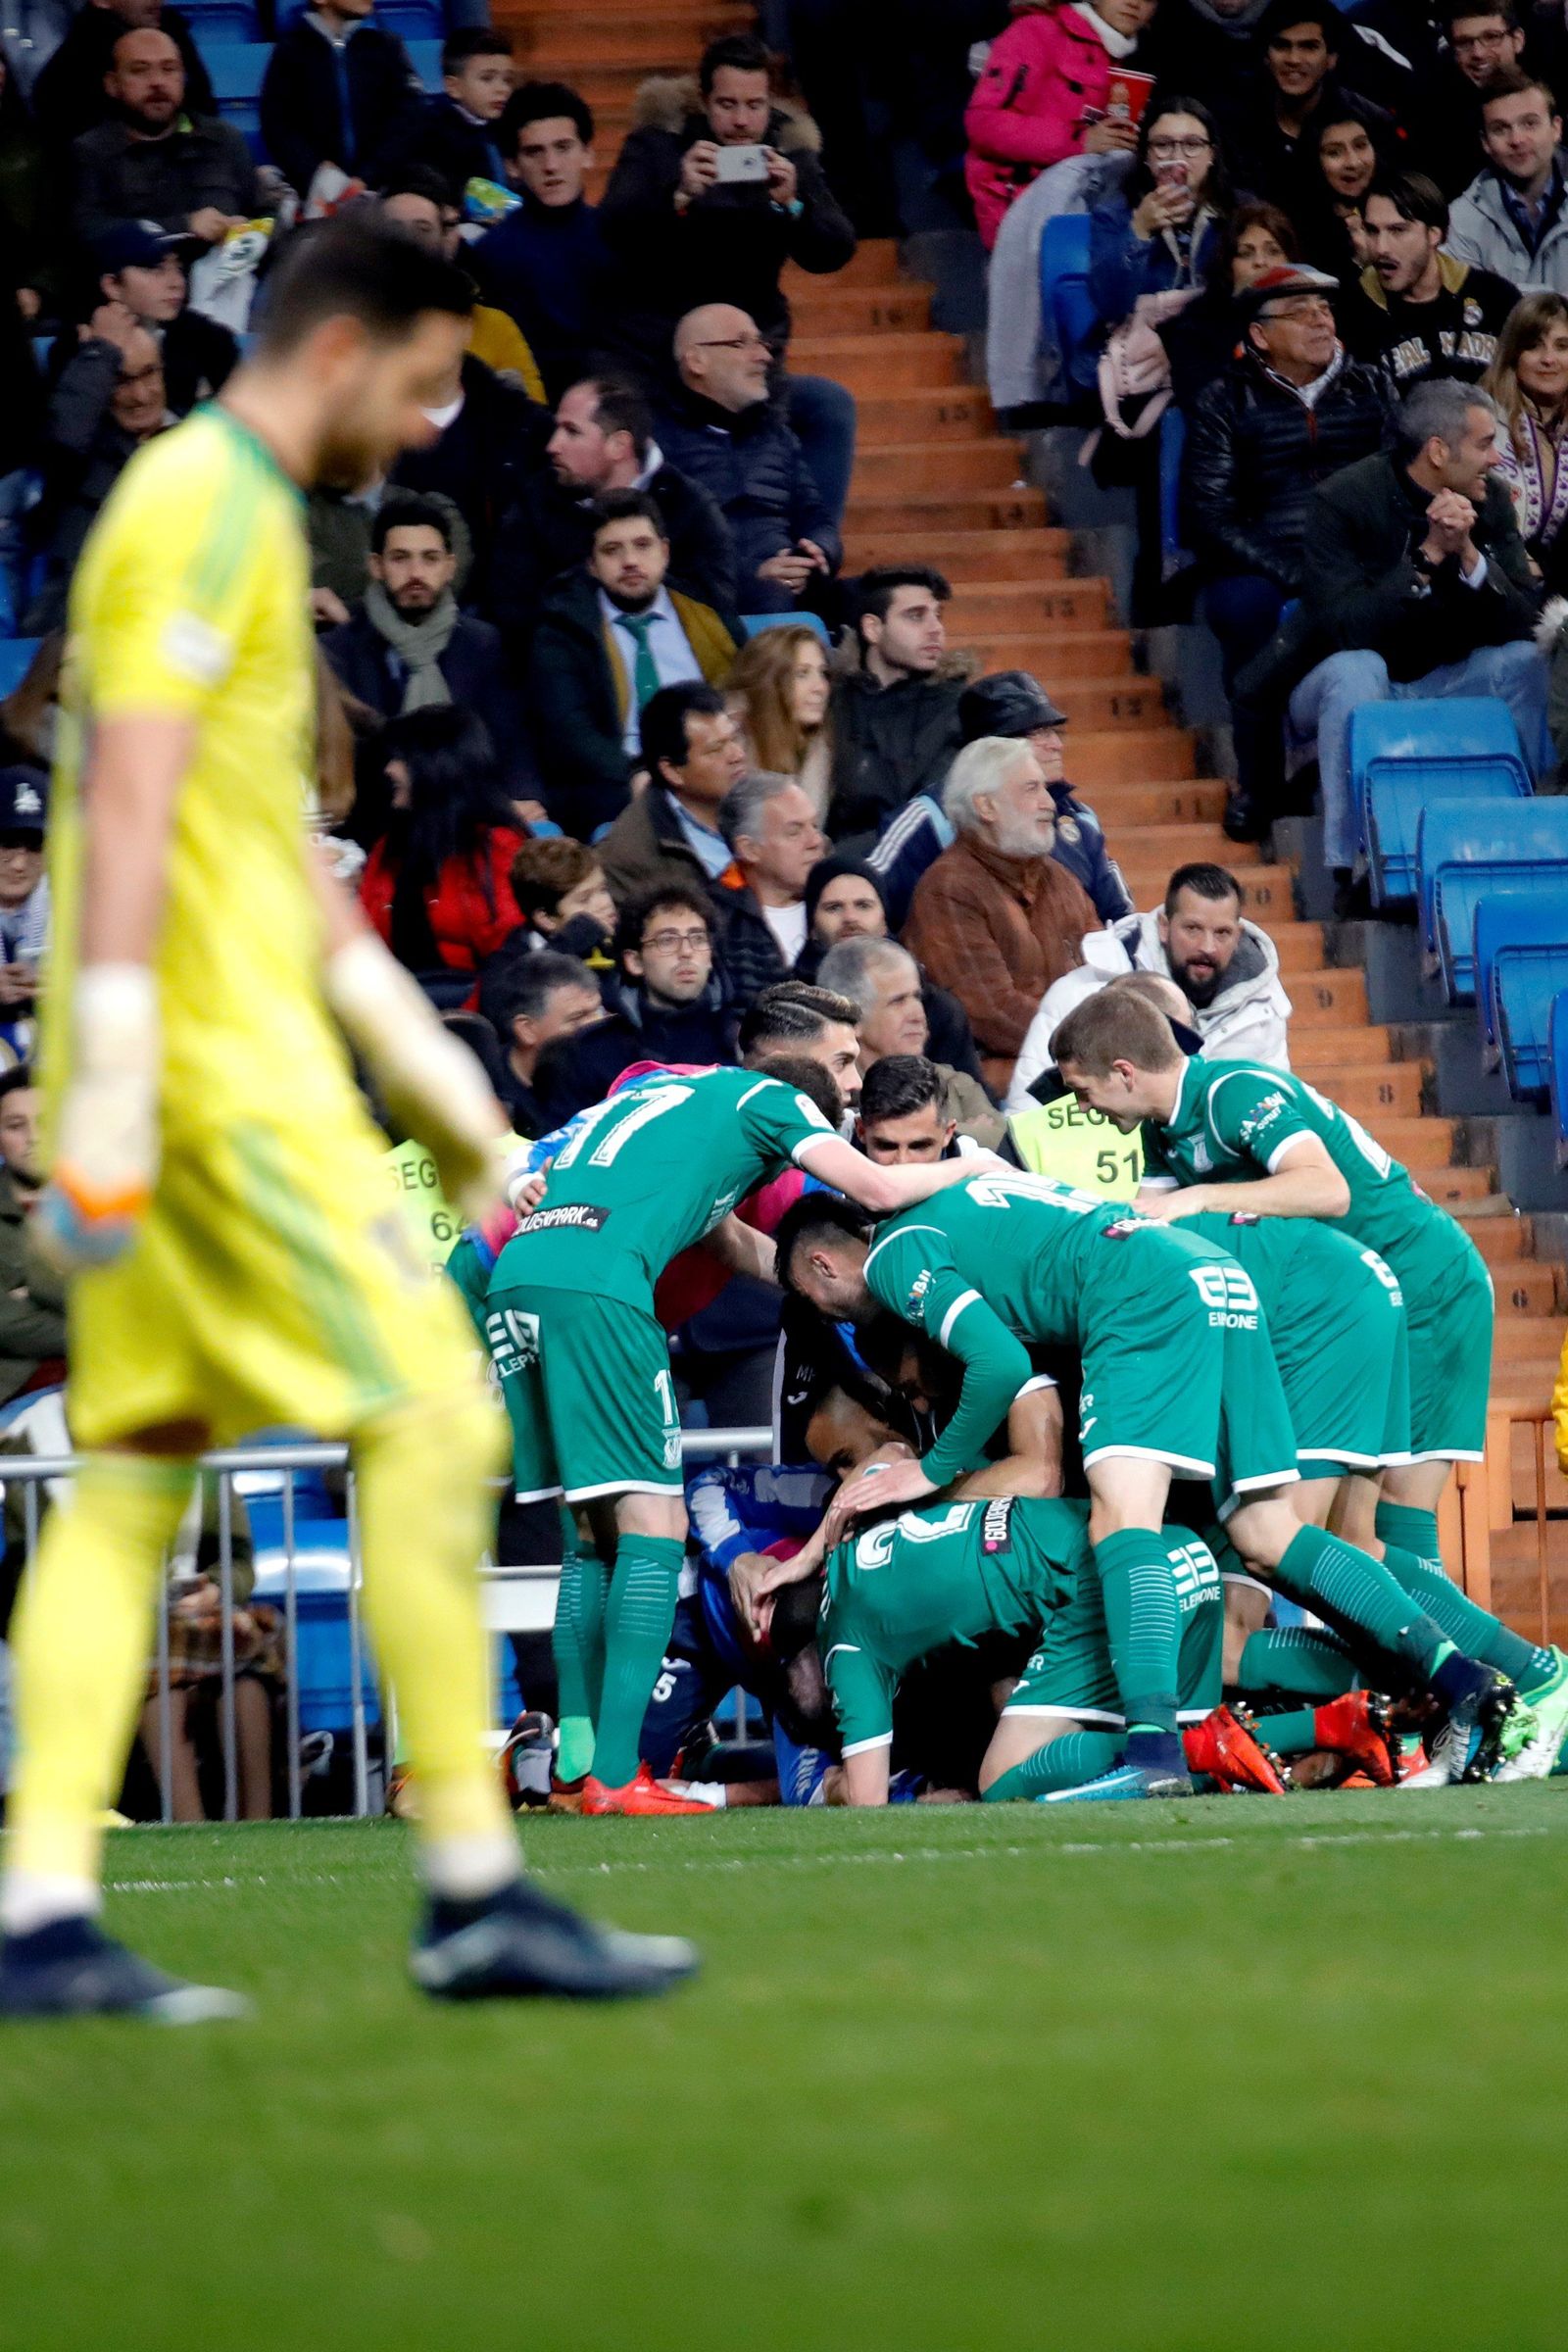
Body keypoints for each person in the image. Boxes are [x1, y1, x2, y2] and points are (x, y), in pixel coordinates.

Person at [0, 214, 696, 2018]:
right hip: (216, 1087)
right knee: (443, 1421)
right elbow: (135, 808)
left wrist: (448, 1096)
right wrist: (120, 1100)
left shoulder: (233, 521)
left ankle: (41, 1917)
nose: (432, 415)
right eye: (424, 376)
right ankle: (471, 1882)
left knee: (136, 1482)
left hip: (204, 1067)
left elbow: (279, 872)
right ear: (336, 352)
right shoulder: (199, 508)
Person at [770, 1167, 1493, 1804]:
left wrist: (926, 1472)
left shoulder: (899, 1256)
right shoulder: (961, 1196)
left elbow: (992, 1362)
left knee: (1121, 1525)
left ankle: (1152, 1752)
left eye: (817, 1300)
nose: (831, 1315)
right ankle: (1456, 1680)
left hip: (1138, 1298)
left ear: (826, 1267)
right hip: (1215, 1280)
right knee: (1268, 1538)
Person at [1052, 985, 1568, 1779]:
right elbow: (1144, 1223)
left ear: (1123, 1071)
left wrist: (1198, 1198)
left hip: (1417, 1287)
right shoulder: (1166, 1138)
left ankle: (1531, 1684)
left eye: (1084, 1091)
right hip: (1344, 1308)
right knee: (1357, 1542)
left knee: (1381, 1535)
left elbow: (1326, 1189)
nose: (1084, 1111)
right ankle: (1459, 1715)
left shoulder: (1232, 1091)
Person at [481, 1055, 1001, 1815]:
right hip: (601, 1289)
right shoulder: (774, 1102)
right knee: (652, 1524)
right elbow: (879, 1188)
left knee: (587, 1534)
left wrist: (819, 1294)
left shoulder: (666, 1098)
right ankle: (619, 1779)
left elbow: (728, 1243)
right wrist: (970, 1168)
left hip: (520, 1274)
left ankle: (578, 1758)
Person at [761, 1495, 1237, 1806]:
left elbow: (869, 1807)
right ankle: (1310, 1726)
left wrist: (832, 1786)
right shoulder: (857, 1537)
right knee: (1217, 1701)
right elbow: (886, 1459)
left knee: (1003, 1778)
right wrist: (808, 1553)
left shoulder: (846, 1649)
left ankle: (1185, 1750)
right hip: (1154, 1546)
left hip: (1099, 1584)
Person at [1288, 374, 1545, 900]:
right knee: (1360, 669)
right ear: (1436, 451)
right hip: (1339, 682)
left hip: (1446, 676)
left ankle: (1539, 837)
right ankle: (1351, 866)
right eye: (1483, 444)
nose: (1496, 459)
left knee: (1526, 660)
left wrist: (1470, 554)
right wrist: (1426, 557)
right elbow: (1343, 628)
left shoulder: (1491, 499)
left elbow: (1525, 619)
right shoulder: (1342, 500)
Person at [1181, 260, 1392, 837]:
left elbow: (1401, 482)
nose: (1321, 321)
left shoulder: (1372, 385)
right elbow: (1210, 515)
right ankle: (1261, 782)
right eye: (1301, 314)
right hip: (1268, 559)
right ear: (1260, 335)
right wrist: (1293, 571)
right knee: (1243, 607)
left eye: (1325, 309)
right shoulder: (1224, 400)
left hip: (1358, 556)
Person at [597, 31, 857, 380]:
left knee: (829, 405)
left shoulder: (787, 150)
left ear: (770, 103)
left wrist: (791, 205)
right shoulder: (659, 144)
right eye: (727, 104)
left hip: (752, 343)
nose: (741, 122)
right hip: (661, 344)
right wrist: (677, 195)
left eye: (755, 105)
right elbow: (612, 226)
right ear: (704, 101)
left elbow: (834, 250)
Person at [526, 492, 740, 836]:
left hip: (714, 765)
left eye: (643, 545)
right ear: (591, 565)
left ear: (664, 552)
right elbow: (572, 733)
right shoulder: (562, 629)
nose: (630, 561)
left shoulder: (706, 609)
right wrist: (639, 772)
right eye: (612, 550)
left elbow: (747, 692)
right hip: (617, 780)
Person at [903, 737, 1101, 1095]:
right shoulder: (948, 888)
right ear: (986, 806)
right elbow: (991, 1013)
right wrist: (1097, 1043)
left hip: (1081, 1067)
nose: (1049, 804)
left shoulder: (1060, 879)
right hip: (1005, 1089)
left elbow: (1106, 969)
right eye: (1032, 789)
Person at [1008, 859, 1292, 1105]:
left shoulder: (1264, 1008)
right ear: (1164, 927)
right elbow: (1027, 1113)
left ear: (1238, 934)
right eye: (1193, 929)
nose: (1208, 946)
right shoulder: (1081, 994)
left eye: (1222, 933)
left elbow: (1276, 1104)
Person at [491, 372, 735, 650]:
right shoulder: (535, 501)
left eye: (572, 431)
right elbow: (513, 612)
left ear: (618, 445)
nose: (552, 446)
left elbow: (716, 607)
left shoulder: (688, 506)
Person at [321, 493, 528, 792]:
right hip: (375, 811)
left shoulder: (482, 643)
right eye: (400, 558)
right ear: (376, 566)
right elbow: (343, 755)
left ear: (449, 566)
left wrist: (526, 798)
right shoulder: (337, 650)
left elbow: (511, 742)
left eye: (430, 558)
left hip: (471, 806)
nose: (416, 573)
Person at [657, 305, 841, 615]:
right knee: (771, 595)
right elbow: (667, 544)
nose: (764, 357)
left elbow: (816, 516)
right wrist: (754, 574)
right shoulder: (657, 443)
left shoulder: (778, 437)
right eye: (742, 343)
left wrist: (817, 551)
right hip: (711, 597)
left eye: (762, 342)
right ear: (696, 360)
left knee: (884, 599)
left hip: (792, 587)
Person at [963, 0, 1158, 251]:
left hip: (1083, 210)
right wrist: (1079, 141)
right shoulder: (1038, 30)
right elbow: (984, 123)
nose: (1134, 3)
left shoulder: (1128, 59)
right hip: (1019, 213)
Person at [355, 706, 528, 981]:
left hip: (479, 1012)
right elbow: (362, 937)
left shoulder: (495, 847)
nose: (389, 769)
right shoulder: (389, 847)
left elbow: (510, 959)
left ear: (435, 765)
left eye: (401, 759)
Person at [538, 881, 734, 1123]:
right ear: (634, 962)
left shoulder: (739, 1041)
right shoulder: (588, 1054)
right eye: (667, 940)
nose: (686, 951)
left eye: (698, 938)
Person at [470, 81, 613, 404]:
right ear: (512, 166)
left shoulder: (619, 238)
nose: (551, 166)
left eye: (563, 147)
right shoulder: (492, 253)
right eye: (535, 152)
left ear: (587, 153)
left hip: (612, 409)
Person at [24, 313, 168, 633]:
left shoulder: (198, 442)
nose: (141, 395)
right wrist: (101, 354)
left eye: (149, 374)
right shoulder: (83, 454)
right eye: (122, 381)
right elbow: (65, 434)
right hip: (84, 624)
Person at [956, 670, 1131, 921]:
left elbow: (1119, 916)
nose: (1056, 745)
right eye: (1038, 734)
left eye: (1054, 732)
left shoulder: (1077, 817)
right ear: (992, 748)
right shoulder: (935, 816)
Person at [70, 26, 265, 252]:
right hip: (138, 280)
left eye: (169, 69)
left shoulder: (223, 139)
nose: (157, 82)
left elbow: (266, 212)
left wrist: (250, 233)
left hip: (227, 277)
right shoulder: (90, 152)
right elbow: (86, 233)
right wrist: (184, 225)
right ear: (112, 84)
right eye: (140, 70)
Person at [798, 853, 985, 1079]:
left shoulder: (939, 1009)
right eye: (834, 907)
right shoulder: (795, 1008)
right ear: (812, 927)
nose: (850, 918)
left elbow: (972, 1096)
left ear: (884, 921)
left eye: (863, 905)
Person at [826, 564, 964, 852]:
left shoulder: (955, 706)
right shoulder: (830, 702)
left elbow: (929, 818)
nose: (936, 629)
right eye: (916, 616)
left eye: (938, 616)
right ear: (873, 629)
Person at [817, 938, 1004, 1146]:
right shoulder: (828, 1093)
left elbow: (1000, 1139)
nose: (918, 1014)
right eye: (898, 1001)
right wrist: (967, 1132)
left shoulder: (954, 1084)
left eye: (917, 997)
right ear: (853, 1018)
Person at [1342, 172, 1518, 390]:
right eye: (1372, 231)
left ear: (1434, 234)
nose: (1381, 248)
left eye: (1397, 230)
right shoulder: (1350, 311)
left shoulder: (1496, 297)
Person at [1220, 0, 1396, 218]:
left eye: (1309, 47)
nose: (1293, 59)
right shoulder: (1237, 123)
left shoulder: (1370, 122)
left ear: (1331, 58)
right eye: (1282, 46)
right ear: (1266, 56)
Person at [1088, 95, 1233, 328]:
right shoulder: (1113, 215)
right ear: (1146, 155)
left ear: (1212, 155)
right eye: (1163, 145)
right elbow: (1110, 306)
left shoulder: (1239, 213)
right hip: (1134, 348)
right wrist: (1139, 231)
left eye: (1192, 145)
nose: (1177, 158)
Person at [595, 681, 748, 900]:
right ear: (673, 771)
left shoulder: (768, 805)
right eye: (716, 749)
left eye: (734, 739)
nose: (737, 755)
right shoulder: (630, 856)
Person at [259, 0, 422, 199]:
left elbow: (409, 118)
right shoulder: (291, 51)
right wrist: (317, 172)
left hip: (386, 189)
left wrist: (367, 177)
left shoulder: (387, 46)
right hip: (314, 194)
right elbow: (278, 124)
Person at [85, 220, 237, 417]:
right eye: (157, 269)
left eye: (178, 267)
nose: (177, 282)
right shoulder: (81, 345)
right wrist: (99, 356)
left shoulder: (208, 339)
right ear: (113, 285)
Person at [1163, 198, 1302, 407]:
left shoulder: (1311, 313)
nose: (1261, 262)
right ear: (1229, 266)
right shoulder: (1198, 325)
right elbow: (1203, 400)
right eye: (1246, 253)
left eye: (1273, 251)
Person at [28, 0, 213, 149]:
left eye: (168, 68)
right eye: (139, 70)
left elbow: (204, 108)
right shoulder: (74, 66)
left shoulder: (174, 34)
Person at [1447, 68, 1568, 291]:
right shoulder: (1461, 219)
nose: (1517, 139)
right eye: (1500, 129)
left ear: (1556, 128)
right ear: (1485, 143)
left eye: (1529, 123)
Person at [710, 770, 824, 1004]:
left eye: (814, 826)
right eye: (794, 832)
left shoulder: (848, 898)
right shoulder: (712, 921)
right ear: (749, 849)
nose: (816, 841)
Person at [474, 943, 606, 1135]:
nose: (595, 1026)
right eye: (577, 1018)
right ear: (527, 1029)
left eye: (598, 1012)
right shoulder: (484, 1098)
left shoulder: (614, 1068)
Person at [1483, 289, 1568, 564]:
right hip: (1492, 581)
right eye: (1533, 345)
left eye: (1562, 346)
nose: (1548, 359)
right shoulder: (1479, 420)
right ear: (1513, 354)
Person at [0, 1068, 66, 1405]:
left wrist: (35, 1290)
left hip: (116, 1391)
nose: (34, 1137)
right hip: (14, 1400)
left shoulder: (110, 1204)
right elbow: (6, 1324)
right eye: (16, 1126)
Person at [384, 26, 514, 198]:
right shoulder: (435, 135)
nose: (502, 89)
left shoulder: (507, 128)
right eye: (487, 78)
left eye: (507, 80)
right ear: (453, 87)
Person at [724, 622, 833, 818]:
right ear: (769, 682)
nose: (820, 687)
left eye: (822, 673)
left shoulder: (824, 744)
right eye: (802, 674)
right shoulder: (729, 743)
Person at [1298, 101, 1384, 277]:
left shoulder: (1400, 205)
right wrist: (1359, 264)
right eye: (1334, 152)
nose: (1353, 162)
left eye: (1360, 146)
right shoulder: (1299, 227)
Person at [506, 835, 615, 962]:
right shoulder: (509, 969)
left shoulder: (623, 937)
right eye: (584, 899)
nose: (606, 903)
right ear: (546, 918)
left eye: (603, 889)